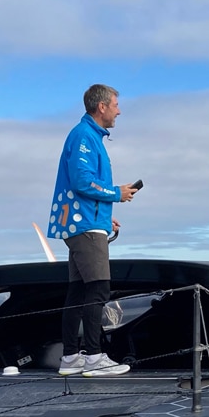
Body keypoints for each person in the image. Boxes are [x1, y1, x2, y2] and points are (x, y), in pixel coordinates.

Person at [47, 84, 140, 376]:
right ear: (101, 107)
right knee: (98, 288)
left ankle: (71, 358)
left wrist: (105, 218)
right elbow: (82, 181)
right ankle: (94, 357)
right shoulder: (85, 136)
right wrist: (117, 193)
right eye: (115, 104)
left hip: (83, 224)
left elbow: (82, 188)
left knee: (78, 292)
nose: (119, 110)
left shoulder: (86, 135)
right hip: (86, 228)